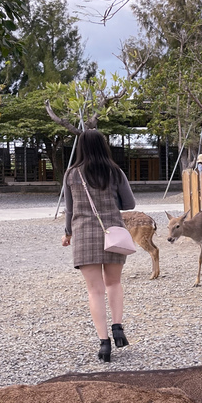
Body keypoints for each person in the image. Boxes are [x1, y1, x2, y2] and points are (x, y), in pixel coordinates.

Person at [62, 129, 136, 362]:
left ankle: (104, 343)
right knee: (114, 283)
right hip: (113, 232)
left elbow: (70, 209)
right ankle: (117, 326)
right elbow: (130, 203)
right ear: (104, 146)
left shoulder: (72, 174)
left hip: (84, 235)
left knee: (95, 291)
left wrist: (67, 233)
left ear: (81, 147)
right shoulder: (115, 171)